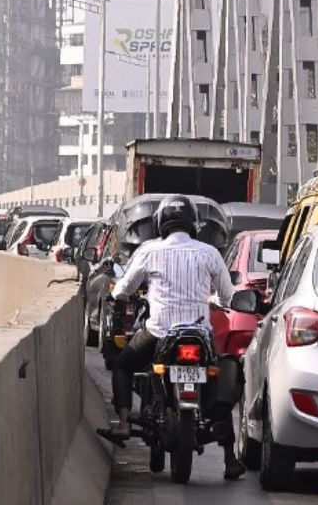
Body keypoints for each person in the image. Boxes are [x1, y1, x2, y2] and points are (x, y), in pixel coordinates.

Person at [98, 194, 243, 480]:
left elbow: (123, 288)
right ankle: (229, 457)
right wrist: (212, 299)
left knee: (124, 365)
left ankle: (125, 422)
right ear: (193, 224)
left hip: (159, 332)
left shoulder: (151, 250)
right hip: (199, 334)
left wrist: (119, 297)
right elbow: (228, 296)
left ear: (161, 224)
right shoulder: (209, 253)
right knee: (222, 375)